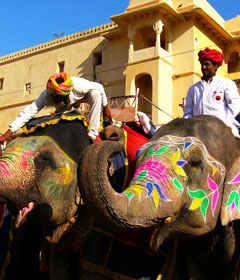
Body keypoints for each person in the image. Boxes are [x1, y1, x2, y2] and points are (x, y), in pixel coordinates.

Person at [0, 72, 112, 144]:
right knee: (63, 123)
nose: (55, 99)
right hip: (64, 107)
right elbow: (28, 112)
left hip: (80, 97)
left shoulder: (79, 85)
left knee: (96, 94)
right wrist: (6, 134)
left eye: (58, 97)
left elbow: (100, 87)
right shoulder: (46, 95)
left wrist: (106, 108)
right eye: (54, 96)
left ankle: (93, 134)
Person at [183, 47, 240, 136]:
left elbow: (235, 106)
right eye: (202, 65)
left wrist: (219, 123)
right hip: (198, 131)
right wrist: (191, 126)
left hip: (223, 128)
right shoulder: (193, 89)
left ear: (216, 66)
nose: (203, 67)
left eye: (207, 64)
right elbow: (188, 112)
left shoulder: (226, 83)